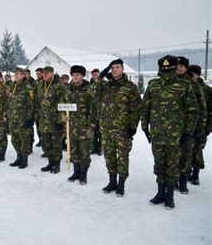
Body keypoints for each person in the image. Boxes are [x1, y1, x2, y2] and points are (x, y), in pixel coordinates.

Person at [141, 55, 198, 209]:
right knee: (159, 164)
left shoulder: (185, 86)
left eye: (169, 69)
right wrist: (145, 127)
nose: (166, 72)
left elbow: (193, 111)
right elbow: (145, 107)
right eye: (163, 69)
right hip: (157, 133)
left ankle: (170, 196)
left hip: (175, 135)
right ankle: (160, 193)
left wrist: (187, 133)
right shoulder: (153, 85)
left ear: (174, 69)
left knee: (173, 165)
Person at [92, 59, 141, 197]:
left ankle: (121, 184)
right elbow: (93, 94)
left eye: (117, 67)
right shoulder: (105, 86)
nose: (114, 69)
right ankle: (112, 181)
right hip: (106, 129)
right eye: (112, 67)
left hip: (123, 130)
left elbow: (136, 109)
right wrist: (100, 77)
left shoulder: (130, 87)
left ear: (123, 69)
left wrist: (133, 126)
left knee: (123, 158)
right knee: (109, 156)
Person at [175, 57, 207, 193]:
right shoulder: (171, 82)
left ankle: (183, 182)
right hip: (173, 128)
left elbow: (202, 108)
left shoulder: (194, 85)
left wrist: (199, 129)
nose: (179, 68)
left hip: (189, 128)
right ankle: (174, 180)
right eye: (177, 65)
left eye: (182, 66)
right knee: (173, 156)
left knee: (186, 156)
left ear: (186, 68)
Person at [65, 65, 97, 184]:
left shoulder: (89, 89)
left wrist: (92, 126)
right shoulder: (68, 88)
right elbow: (64, 105)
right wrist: (64, 118)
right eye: (73, 75)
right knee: (74, 152)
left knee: (84, 153)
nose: (75, 77)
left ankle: (83, 174)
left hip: (84, 127)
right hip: (71, 127)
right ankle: (76, 172)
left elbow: (94, 109)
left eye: (77, 74)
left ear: (83, 75)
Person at [38, 66, 66, 173]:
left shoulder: (60, 86)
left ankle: (57, 164)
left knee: (56, 145)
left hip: (55, 121)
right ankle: (50, 163)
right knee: (46, 144)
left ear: (52, 73)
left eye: (46, 73)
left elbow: (64, 104)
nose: (44, 75)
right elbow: (38, 103)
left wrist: (61, 120)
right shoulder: (40, 85)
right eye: (43, 73)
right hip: (43, 121)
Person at [8, 67, 35, 169]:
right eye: (15, 74)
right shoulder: (12, 85)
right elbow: (9, 101)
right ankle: (18, 157)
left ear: (23, 75)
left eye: (18, 74)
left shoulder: (28, 87)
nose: (15, 75)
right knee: (15, 140)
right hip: (13, 118)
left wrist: (29, 119)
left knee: (24, 140)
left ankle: (24, 160)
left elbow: (31, 104)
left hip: (23, 119)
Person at [187, 65, 210, 186]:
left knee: (197, 150)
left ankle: (195, 175)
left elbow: (210, 110)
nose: (191, 76)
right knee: (186, 150)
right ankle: (187, 173)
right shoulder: (187, 86)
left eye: (193, 74)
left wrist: (208, 127)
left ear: (198, 75)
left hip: (201, 125)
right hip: (188, 125)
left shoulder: (206, 90)